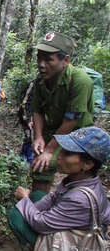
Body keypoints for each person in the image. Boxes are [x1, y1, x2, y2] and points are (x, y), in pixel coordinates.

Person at [8, 126, 110, 250]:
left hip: (77, 243)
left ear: (87, 164)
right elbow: (53, 197)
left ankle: (35, 247)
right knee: (37, 195)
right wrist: (30, 207)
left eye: (67, 153)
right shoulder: (81, 179)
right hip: (73, 228)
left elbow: (41, 224)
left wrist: (24, 200)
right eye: (61, 150)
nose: (59, 156)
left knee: (16, 217)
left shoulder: (79, 199)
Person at [30, 31, 94, 193]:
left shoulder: (80, 81)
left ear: (65, 60)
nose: (41, 64)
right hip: (51, 130)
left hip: (77, 135)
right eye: (39, 58)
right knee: (39, 166)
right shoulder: (40, 81)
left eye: (48, 59)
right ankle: (37, 209)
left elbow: (71, 120)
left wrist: (50, 150)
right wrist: (38, 136)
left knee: (76, 172)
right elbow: (37, 110)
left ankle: (76, 205)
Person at [18, 80, 34, 164]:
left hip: (38, 117)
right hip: (28, 117)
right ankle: (26, 162)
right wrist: (28, 119)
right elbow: (25, 103)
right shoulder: (34, 84)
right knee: (30, 138)